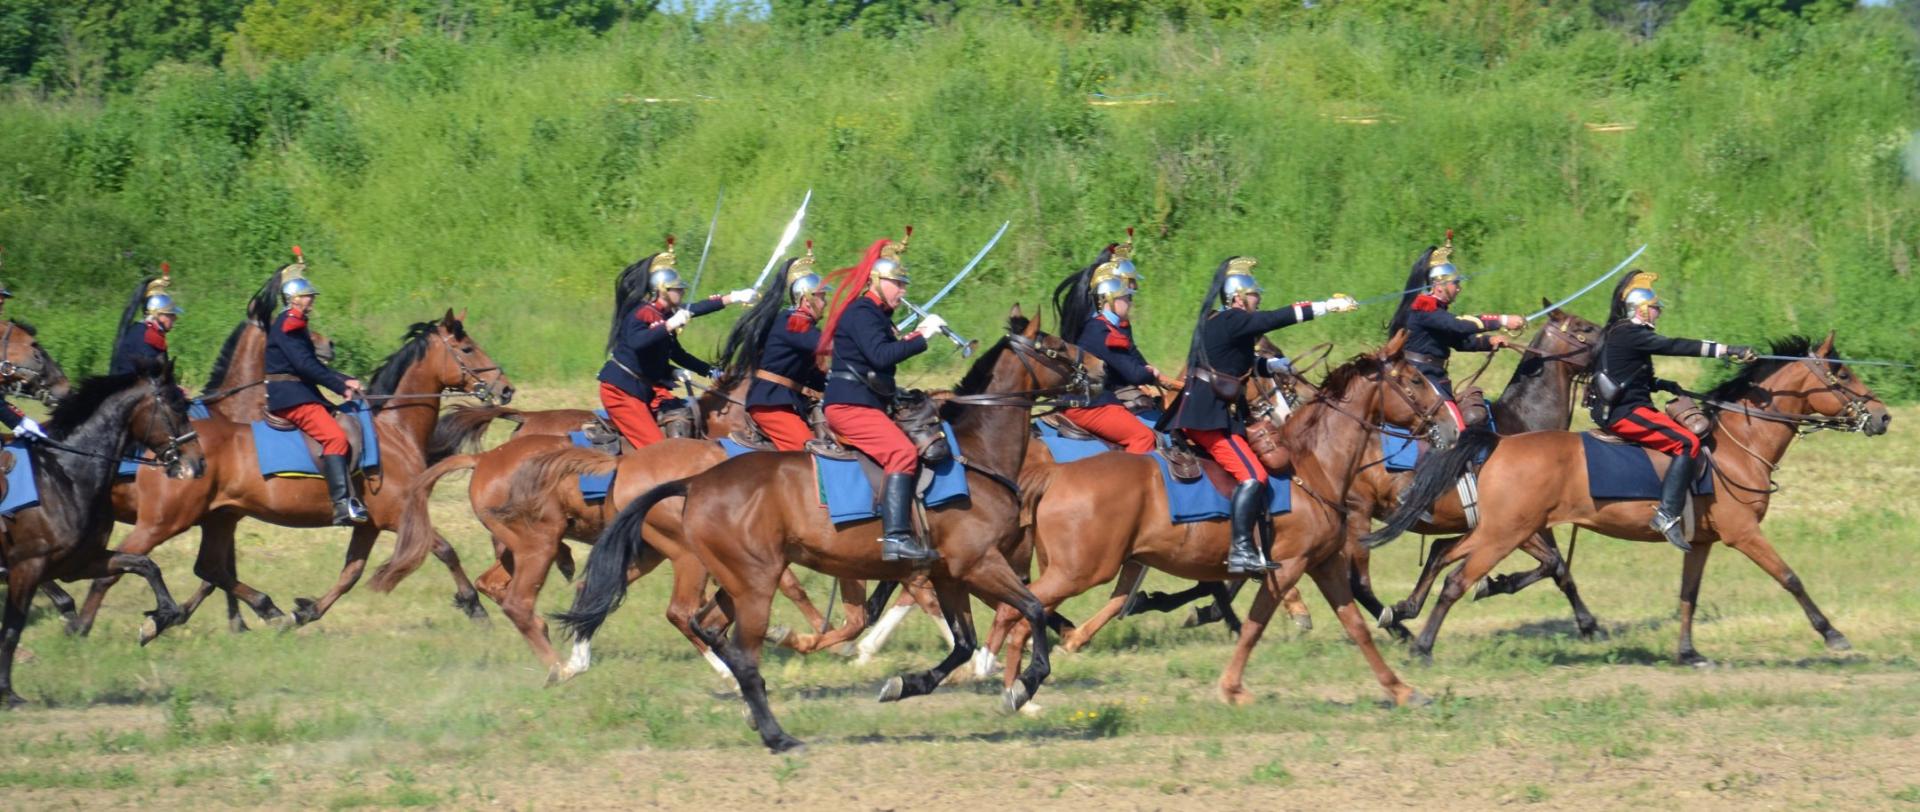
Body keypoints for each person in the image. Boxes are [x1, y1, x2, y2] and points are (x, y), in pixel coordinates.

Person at [1165, 257, 1358, 573]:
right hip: (1208, 418)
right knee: (1253, 475)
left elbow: (1229, 364)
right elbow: (1274, 319)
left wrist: (1270, 366)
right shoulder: (1232, 319)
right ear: (1238, 297)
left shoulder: (1223, 324)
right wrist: (1325, 306)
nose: (1259, 299)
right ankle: (1241, 550)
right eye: (1254, 294)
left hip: (1215, 414)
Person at [1591, 270, 1753, 552]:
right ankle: (1666, 515)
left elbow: (1626, 372)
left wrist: (1659, 383)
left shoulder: (1623, 334)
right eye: (1655, 308)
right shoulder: (1629, 333)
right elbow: (1674, 345)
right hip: (1626, 414)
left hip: (1630, 406)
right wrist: (1725, 350)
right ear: (1640, 309)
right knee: (1687, 442)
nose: (1658, 313)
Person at [817, 230, 951, 563]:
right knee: (902, 452)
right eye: (898, 284)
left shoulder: (875, 315)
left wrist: (907, 338)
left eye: (904, 284)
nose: (903, 291)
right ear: (877, 280)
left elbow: (879, 353)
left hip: (865, 400)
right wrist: (921, 337)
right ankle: (895, 538)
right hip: (850, 404)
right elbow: (880, 356)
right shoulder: (862, 311)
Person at [597, 237, 756, 449]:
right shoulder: (642, 313)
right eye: (677, 289)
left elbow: (681, 344)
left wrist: (733, 297)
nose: (682, 292)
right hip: (622, 390)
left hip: (644, 386)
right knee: (660, 451)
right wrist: (669, 326)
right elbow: (637, 342)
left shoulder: (663, 314)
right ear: (663, 290)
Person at [1385, 237, 1525, 431]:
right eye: (1455, 283)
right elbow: (1458, 325)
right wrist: (1502, 320)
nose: (1459, 288)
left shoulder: (1435, 310)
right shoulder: (1423, 308)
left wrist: (1489, 341)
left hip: (1433, 377)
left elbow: (1460, 341)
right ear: (1439, 285)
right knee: (1455, 427)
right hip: (1421, 378)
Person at [264, 270, 367, 526]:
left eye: (311, 296)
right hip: (292, 397)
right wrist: (339, 384)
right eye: (307, 296)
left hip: (301, 392)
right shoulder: (288, 324)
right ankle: (342, 505)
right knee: (335, 438)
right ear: (294, 299)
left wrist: (344, 381)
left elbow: (311, 365)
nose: (312, 300)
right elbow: (305, 366)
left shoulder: (295, 323)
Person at [1053, 235, 1160, 453]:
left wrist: (1149, 373)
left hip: (1103, 394)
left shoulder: (1109, 324)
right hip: (1091, 400)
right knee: (1143, 437)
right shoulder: (1099, 329)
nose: (1132, 297)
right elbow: (1130, 370)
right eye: (1127, 294)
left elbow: (1133, 354)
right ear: (1110, 296)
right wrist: (1148, 374)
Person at [722, 242, 831, 452]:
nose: (825, 302)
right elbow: (827, 345)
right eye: (822, 297)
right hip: (772, 404)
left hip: (786, 401)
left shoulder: (799, 323)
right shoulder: (793, 322)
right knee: (811, 456)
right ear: (806, 299)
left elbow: (815, 374)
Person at [110, 272, 180, 376]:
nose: (175, 318)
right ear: (158, 315)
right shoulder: (145, 336)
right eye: (171, 315)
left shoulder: (150, 332)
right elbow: (151, 375)